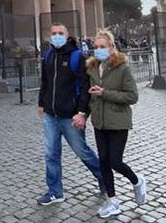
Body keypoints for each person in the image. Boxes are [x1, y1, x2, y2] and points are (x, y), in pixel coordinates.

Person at [36, 23, 105, 206]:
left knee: (82, 151)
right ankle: (55, 191)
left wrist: (82, 112)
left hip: (70, 115)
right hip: (51, 115)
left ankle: (103, 176)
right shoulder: (48, 56)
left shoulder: (77, 57)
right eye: (53, 33)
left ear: (67, 36)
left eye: (60, 33)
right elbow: (45, 82)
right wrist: (41, 103)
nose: (56, 36)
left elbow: (84, 87)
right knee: (51, 154)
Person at [84, 29, 147, 217]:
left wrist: (105, 93)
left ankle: (137, 181)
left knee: (115, 161)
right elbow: (89, 96)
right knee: (103, 161)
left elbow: (132, 96)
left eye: (102, 47)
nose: (98, 50)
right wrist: (82, 114)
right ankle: (112, 201)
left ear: (111, 47)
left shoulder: (123, 68)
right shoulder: (92, 68)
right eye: (96, 47)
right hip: (99, 121)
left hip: (118, 121)